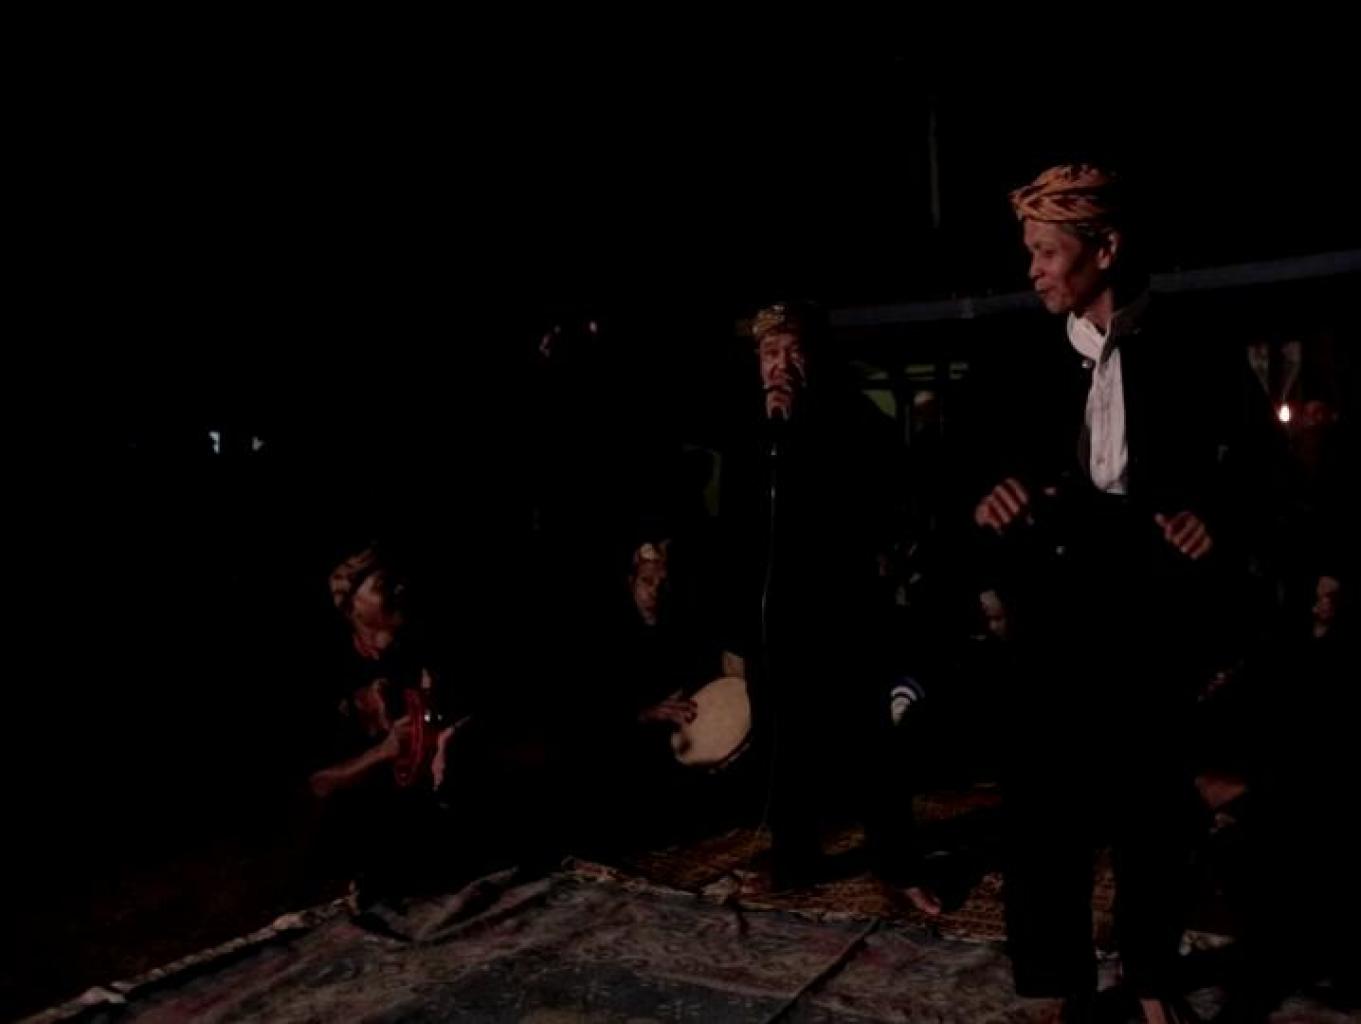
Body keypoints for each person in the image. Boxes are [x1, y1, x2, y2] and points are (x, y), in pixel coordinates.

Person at [973, 163, 1284, 1023]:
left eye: (1046, 252)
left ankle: (1149, 973)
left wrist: (1215, 520)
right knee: (1045, 808)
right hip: (1053, 606)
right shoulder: (1017, 356)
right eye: (1029, 252)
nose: (1032, 270)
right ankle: (1059, 984)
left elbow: (1263, 475)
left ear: (1103, 249)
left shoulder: (1196, 349)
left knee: (1154, 808)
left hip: (1152, 607)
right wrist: (985, 495)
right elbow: (960, 462)